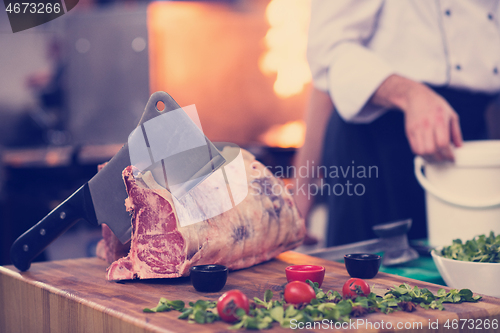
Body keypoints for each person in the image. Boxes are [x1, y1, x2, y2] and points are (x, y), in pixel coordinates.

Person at [295, 0, 500, 246]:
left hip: (469, 142)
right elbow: (329, 52)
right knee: (371, 280)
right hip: (376, 145)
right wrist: (302, 192)